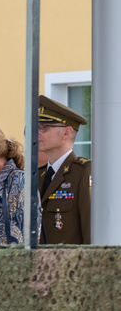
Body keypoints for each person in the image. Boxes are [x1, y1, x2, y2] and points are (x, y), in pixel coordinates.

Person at [36, 95, 91, 244]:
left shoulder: (83, 172)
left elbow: (89, 231)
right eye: (37, 127)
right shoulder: (39, 175)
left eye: (45, 127)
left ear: (66, 132)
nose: (38, 132)